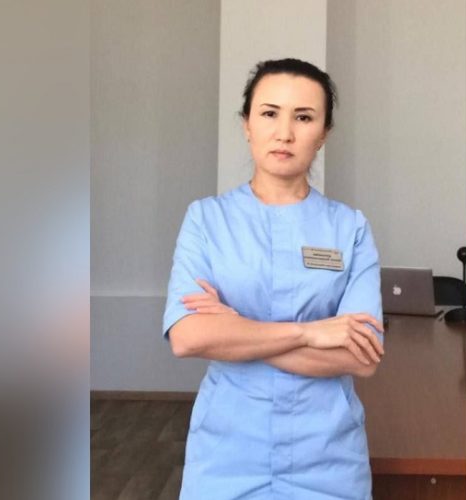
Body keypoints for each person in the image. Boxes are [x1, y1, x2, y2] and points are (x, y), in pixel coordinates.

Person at [162, 58, 384, 500]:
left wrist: (234, 329)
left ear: (324, 133)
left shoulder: (350, 228)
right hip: (226, 455)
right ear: (247, 124)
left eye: (303, 117)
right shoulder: (206, 220)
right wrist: (310, 332)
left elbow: (362, 358)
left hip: (328, 458)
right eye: (269, 113)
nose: (284, 133)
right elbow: (188, 337)